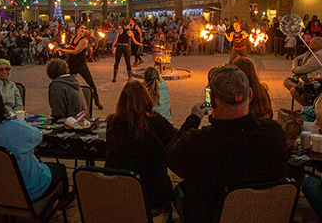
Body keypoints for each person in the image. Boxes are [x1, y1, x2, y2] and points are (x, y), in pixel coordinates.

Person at [166, 65, 288, 223]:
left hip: (211, 217)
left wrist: (193, 119)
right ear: (249, 95)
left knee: (179, 190)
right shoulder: (274, 134)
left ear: (212, 100)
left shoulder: (199, 143)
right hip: (264, 216)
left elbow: (170, 155)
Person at [0, 79, 74, 204]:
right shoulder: (11, 128)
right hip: (27, 192)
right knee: (60, 168)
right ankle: (64, 200)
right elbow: (37, 137)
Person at [105, 81, 177, 216]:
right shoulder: (156, 122)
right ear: (147, 98)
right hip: (154, 198)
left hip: (121, 195)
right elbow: (178, 139)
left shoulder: (112, 123)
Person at [58, 23, 103, 110]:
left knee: (91, 83)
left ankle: (97, 101)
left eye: (84, 28)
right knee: (66, 82)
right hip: (71, 64)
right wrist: (64, 47)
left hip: (81, 65)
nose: (83, 30)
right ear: (77, 29)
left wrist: (62, 50)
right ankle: (67, 101)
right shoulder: (74, 38)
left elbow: (75, 51)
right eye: (81, 28)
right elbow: (72, 47)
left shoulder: (84, 41)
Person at [284, 37, 322, 106]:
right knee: (287, 81)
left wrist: (294, 69)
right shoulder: (310, 52)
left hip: (314, 82)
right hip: (303, 78)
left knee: (294, 91)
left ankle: (309, 107)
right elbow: (297, 59)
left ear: (317, 46)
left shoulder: (319, 56)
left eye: (311, 43)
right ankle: (301, 89)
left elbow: (303, 69)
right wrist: (295, 67)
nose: (309, 44)